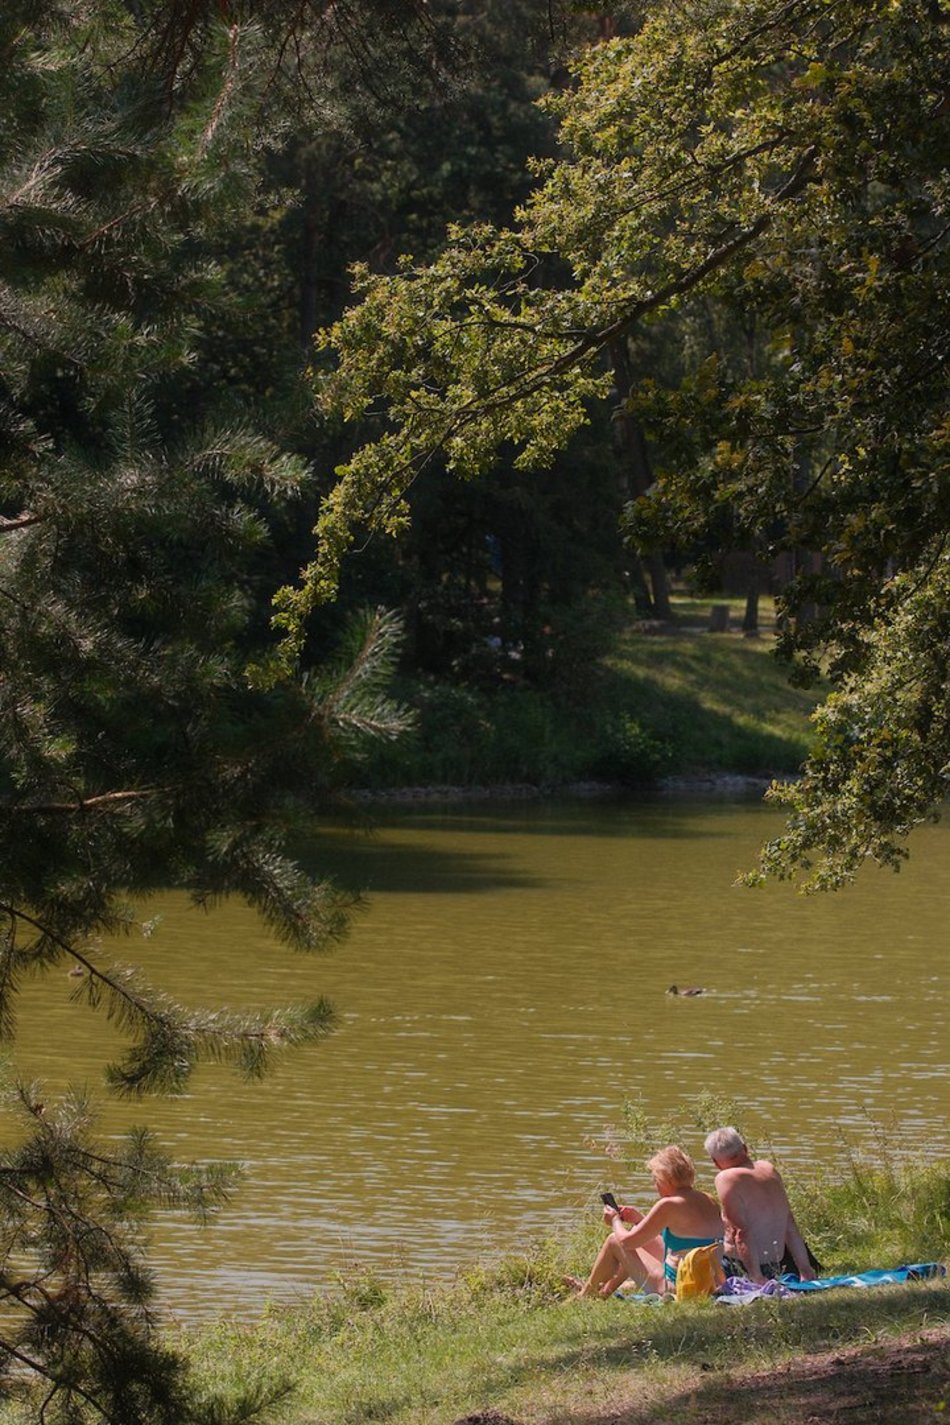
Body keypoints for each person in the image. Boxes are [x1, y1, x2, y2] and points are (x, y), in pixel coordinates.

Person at [565, 1145, 723, 1298]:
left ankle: (586, 1294)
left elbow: (626, 1242)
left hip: (678, 1287)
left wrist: (614, 1220)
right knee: (636, 1235)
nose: (655, 1186)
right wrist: (638, 1219)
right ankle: (604, 1291)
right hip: (707, 1283)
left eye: (656, 1180)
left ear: (666, 1180)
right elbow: (684, 1239)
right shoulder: (708, 1199)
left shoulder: (668, 1204)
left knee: (615, 1240)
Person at [704, 1126, 816, 1283]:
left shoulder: (726, 1178)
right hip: (776, 1264)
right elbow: (789, 1224)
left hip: (743, 1266)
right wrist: (805, 1269)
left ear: (715, 1162)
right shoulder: (768, 1168)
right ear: (745, 1149)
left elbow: (741, 1232)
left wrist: (756, 1276)